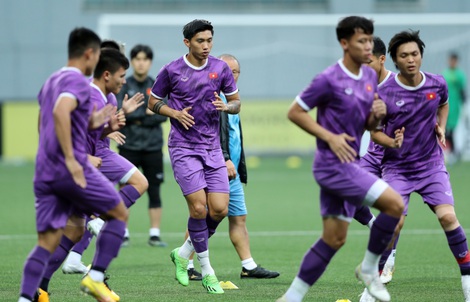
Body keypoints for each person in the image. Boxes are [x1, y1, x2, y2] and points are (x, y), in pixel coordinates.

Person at [276, 16, 404, 302]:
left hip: (349, 165)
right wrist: (329, 137)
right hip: (332, 166)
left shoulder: (370, 77)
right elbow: (295, 112)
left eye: (370, 40)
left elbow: (368, 125)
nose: (368, 46)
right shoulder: (328, 78)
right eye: (362, 41)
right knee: (395, 206)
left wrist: (376, 116)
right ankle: (370, 270)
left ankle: (291, 297)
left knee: (334, 239)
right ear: (345, 43)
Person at [19, 27, 128, 302]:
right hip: (68, 168)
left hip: (44, 170)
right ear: (90, 54)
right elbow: (60, 112)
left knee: (51, 240)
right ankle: (95, 278)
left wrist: (94, 123)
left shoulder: (52, 80)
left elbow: (47, 116)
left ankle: (27, 297)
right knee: (118, 213)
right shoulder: (80, 82)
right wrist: (71, 158)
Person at [367, 29, 470, 302]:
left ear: (421, 56)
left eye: (414, 54)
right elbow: (375, 132)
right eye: (404, 56)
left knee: (448, 217)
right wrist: (392, 142)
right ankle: (373, 284)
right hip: (397, 168)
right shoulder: (383, 93)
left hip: (430, 165)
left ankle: (468, 280)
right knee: (394, 224)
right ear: (394, 61)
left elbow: (444, 104)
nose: (410, 59)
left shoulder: (437, 83)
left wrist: (442, 128)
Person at [147, 19, 241, 294]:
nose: (206, 46)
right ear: (187, 42)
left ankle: (182, 252)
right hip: (183, 147)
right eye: (200, 41)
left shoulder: (221, 68)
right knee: (199, 209)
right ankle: (207, 270)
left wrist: (228, 106)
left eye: (209, 40)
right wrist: (173, 113)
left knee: (220, 209)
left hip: (212, 148)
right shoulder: (172, 70)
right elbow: (153, 101)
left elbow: (236, 102)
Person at [184, 54, 279, 280]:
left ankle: (248, 265)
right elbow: (210, 134)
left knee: (238, 218)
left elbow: (233, 135)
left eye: (235, 71)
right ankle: (186, 263)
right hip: (215, 167)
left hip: (232, 172)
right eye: (227, 70)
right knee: (202, 214)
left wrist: (236, 163)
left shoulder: (233, 99)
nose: (232, 75)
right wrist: (224, 159)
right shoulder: (210, 95)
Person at [358, 36, 403, 302]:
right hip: (372, 154)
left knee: (394, 210)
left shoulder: (398, 85)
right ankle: (383, 233)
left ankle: (386, 259)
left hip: (397, 159)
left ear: (382, 59)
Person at [116, 44, 168, 247]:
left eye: (145, 59)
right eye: (137, 59)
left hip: (153, 146)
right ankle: (123, 232)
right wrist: (144, 114)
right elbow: (121, 114)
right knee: (124, 188)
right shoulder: (123, 84)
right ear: (132, 61)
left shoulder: (156, 85)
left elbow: (163, 115)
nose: (141, 62)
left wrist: (137, 116)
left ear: (150, 62)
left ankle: (154, 234)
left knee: (154, 190)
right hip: (129, 146)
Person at [442, 52, 467, 164]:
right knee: (447, 130)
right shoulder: (445, 74)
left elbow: (463, 92)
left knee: (454, 131)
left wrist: (465, 106)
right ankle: (452, 152)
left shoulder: (460, 75)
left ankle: (455, 152)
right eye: (450, 60)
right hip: (446, 106)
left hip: (456, 107)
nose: (452, 62)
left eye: (454, 60)